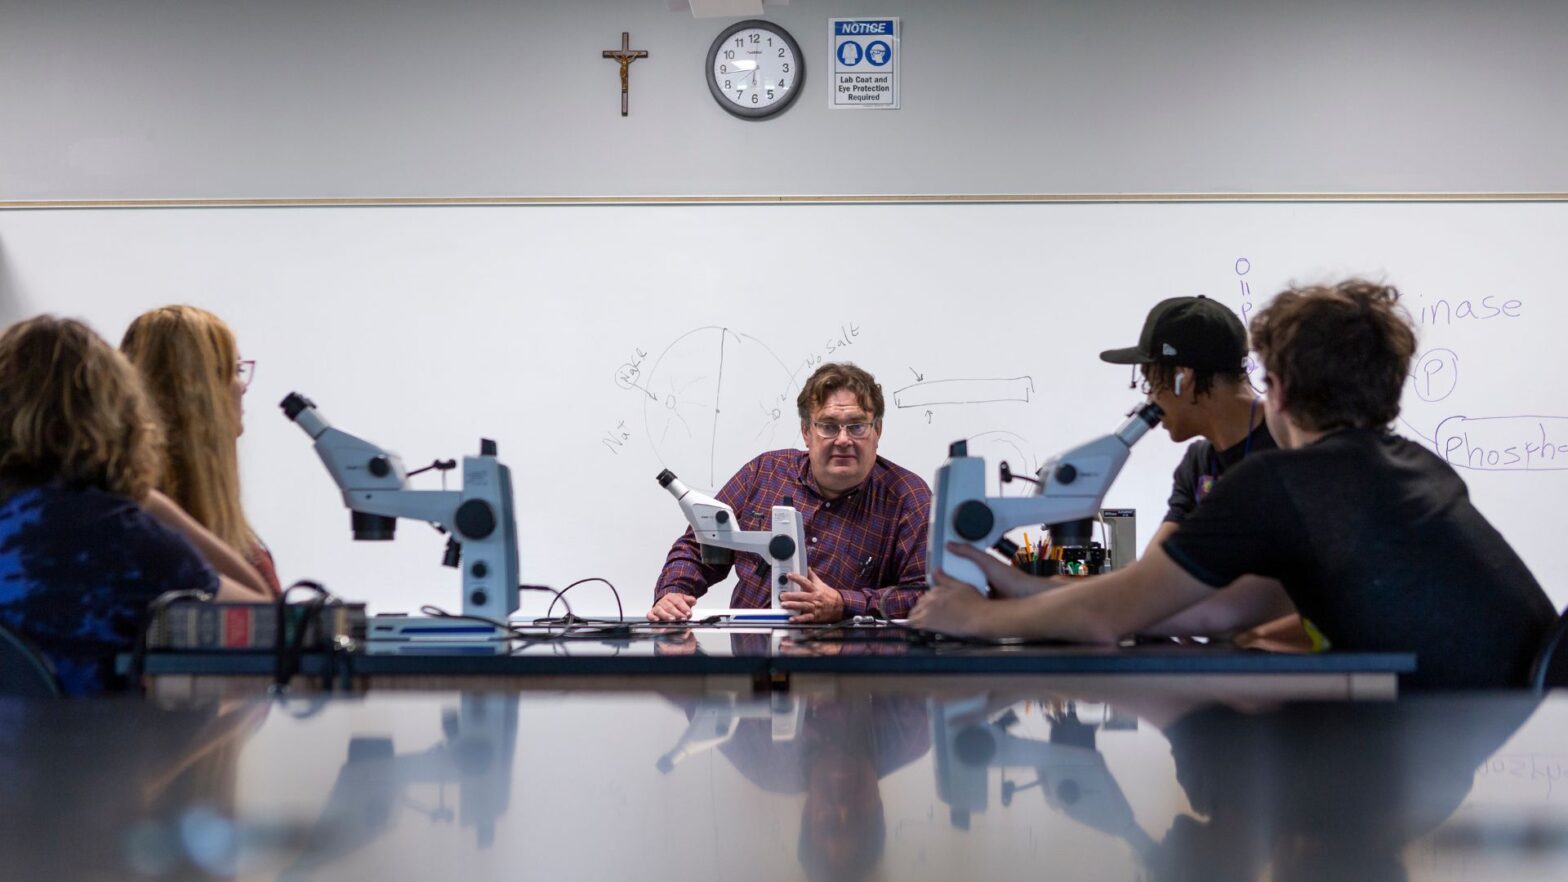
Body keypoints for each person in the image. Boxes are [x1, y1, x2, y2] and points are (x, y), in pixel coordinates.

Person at [910, 280, 1557, 689]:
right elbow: (1210, 609)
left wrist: (977, 617)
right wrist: (1028, 587)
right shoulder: (1411, 467)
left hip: (1469, 734)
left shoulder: (1279, 481)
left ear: (1277, 388)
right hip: (1529, 717)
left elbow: (1112, 620)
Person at [0, 316, 268, 695]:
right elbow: (264, 626)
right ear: (116, 410)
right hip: (98, 752)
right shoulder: (120, 537)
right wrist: (154, 506)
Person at [650, 362, 931, 623]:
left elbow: (926, 596)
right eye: (828, 426)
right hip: (749, 654)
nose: (843, 440)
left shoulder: (909, 499)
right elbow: (698, 547)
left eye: (857, 426)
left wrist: (845, 603)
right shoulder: (765, 473)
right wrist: (673, 592)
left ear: (877, 431)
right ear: (806, 431)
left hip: (846, 664)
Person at [1098, 295, 1298, 640]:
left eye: (1149, 382)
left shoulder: (1292, 445)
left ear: (1182, 377)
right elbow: (1153, 577)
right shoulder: (1199, 463)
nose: (1149, 403)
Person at [122, 305, 280, 597]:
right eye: (236, 370)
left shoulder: (116, 521)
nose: (243, 386)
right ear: (199, 391)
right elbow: (270, 624)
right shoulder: (145, 529)